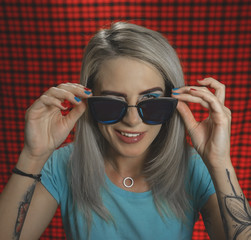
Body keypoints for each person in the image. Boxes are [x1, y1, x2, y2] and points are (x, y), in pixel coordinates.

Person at [0, 22, 250, 240]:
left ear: (172, 104)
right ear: (89, 102)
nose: (132, 120)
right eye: (111, 102)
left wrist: (219, 162)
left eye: (150, 101)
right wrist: (33, 155)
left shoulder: (195, 168)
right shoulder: (63, 164)